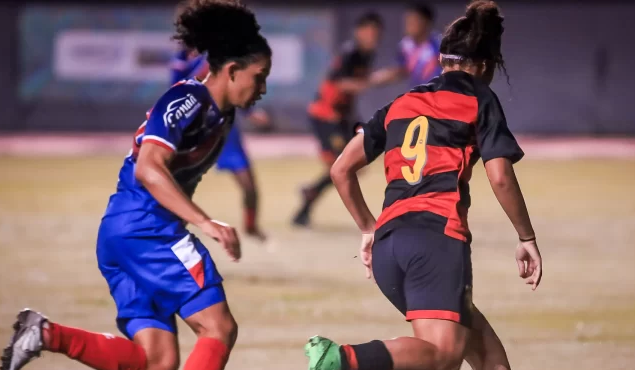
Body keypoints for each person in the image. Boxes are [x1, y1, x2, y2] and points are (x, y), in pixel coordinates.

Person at [300, 0, 590, 370]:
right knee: (442, 360)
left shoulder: (400, 103)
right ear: (484, 65)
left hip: (392, 248)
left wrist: (369, 228)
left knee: (485, 351)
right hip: (436, 244)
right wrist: (527, 237)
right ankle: (340, 359)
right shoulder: (478, 98)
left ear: (442, 59)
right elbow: (500, 177)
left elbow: (340, 169)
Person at [0, 0, 271, 370]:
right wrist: (205, 222)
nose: (262, 87)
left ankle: (45, 333)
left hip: (124, 234)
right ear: (229, 70)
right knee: (218, 326)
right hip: (147, 230)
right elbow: (149, 167)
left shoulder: (220, 113)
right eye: (258, 76)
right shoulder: (188, 99)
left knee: (158, 363)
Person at [292, 12, 383, 227]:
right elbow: (338, 83)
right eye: (370, 31)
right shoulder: (350, 53)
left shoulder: (367, 55)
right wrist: (369, 82)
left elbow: (354, 87)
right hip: (326, 116)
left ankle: (309, 195)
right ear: (359, 32)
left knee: (352, 165)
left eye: (377, 33)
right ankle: (310, 199)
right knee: (342, 165)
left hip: (343, 117)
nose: (373, 37)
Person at [171, 45, 271, 240]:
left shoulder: (220, 54)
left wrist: (250, 112)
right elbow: (178, 90)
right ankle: (169, 230)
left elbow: (233, 86)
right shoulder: (183, 59)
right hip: (195, 128)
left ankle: (251, 227)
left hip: (225, 130)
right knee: (179, 187)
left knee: (249, 186)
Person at [370, 3, 442, 88]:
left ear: (426, 22)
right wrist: (380, 76)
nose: (408, 26)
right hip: (419, 94)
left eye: (413, 21)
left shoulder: (439, 44)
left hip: (439, 92)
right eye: (407, 21)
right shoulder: (405, 46)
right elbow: (402, 70)